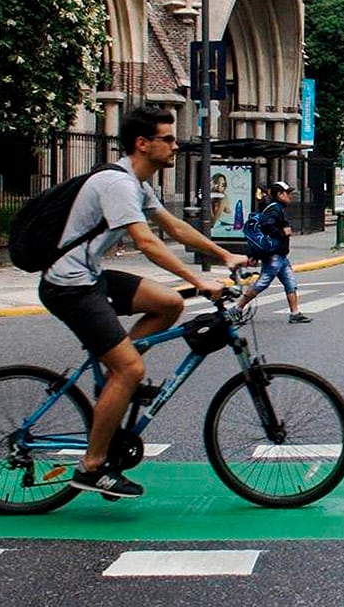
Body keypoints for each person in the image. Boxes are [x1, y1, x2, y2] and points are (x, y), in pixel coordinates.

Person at [38, 105, 249, 499]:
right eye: (168, 139)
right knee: (131, 369)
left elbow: (174, 227)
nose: (175, 144)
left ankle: (117, 378)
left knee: (169, 304)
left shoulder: (137, 183)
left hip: (91, 277)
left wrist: (224, 256)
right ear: (142, 143)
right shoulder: (117, 184)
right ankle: (92, 465)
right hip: (68, 286)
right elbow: (147, 242)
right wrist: (199, 281)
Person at [229, 181, 312, 325]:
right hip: (274, 255)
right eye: (288, 193)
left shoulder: (275, 208)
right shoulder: (275, 209)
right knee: (262, 283)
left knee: (290, 282)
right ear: (280, 194)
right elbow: (267, 225)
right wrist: (282, 232)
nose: (290, 196)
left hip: (281, 255)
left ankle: (295, 313)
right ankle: (236, 308)